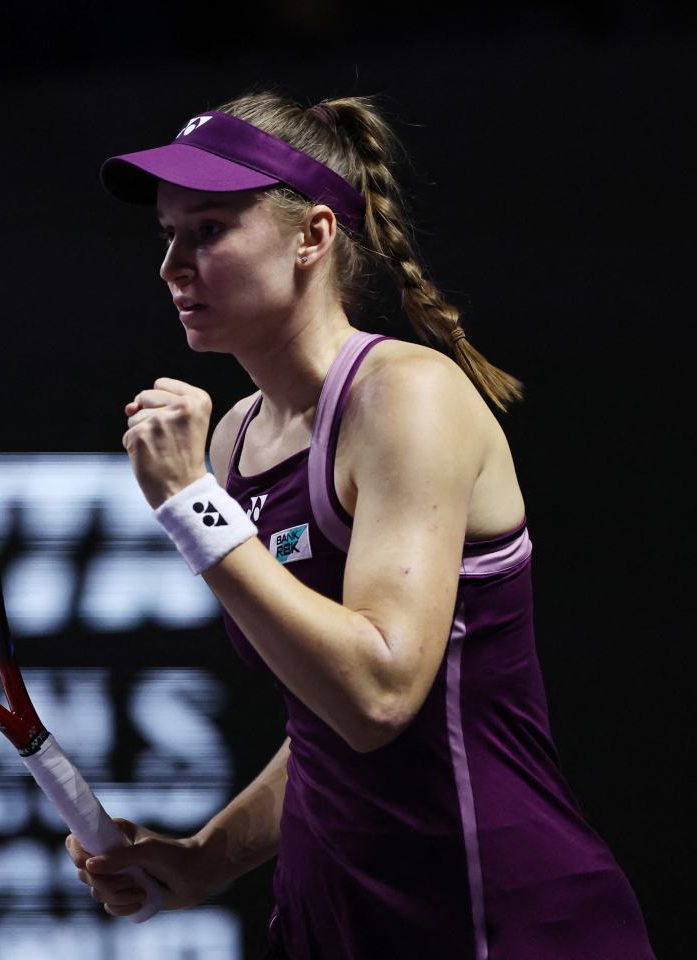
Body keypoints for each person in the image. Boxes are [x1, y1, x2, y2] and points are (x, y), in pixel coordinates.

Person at [66, 93, 655, 959]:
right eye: (167, 233)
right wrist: (202, 860)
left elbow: (377, 694)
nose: (172, 265)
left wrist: (192, 504)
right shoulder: (235, 439)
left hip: (496, 917)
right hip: (336, 920)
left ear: (312, 236)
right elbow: (326, 729)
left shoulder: (407, 398)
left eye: (209, 230)